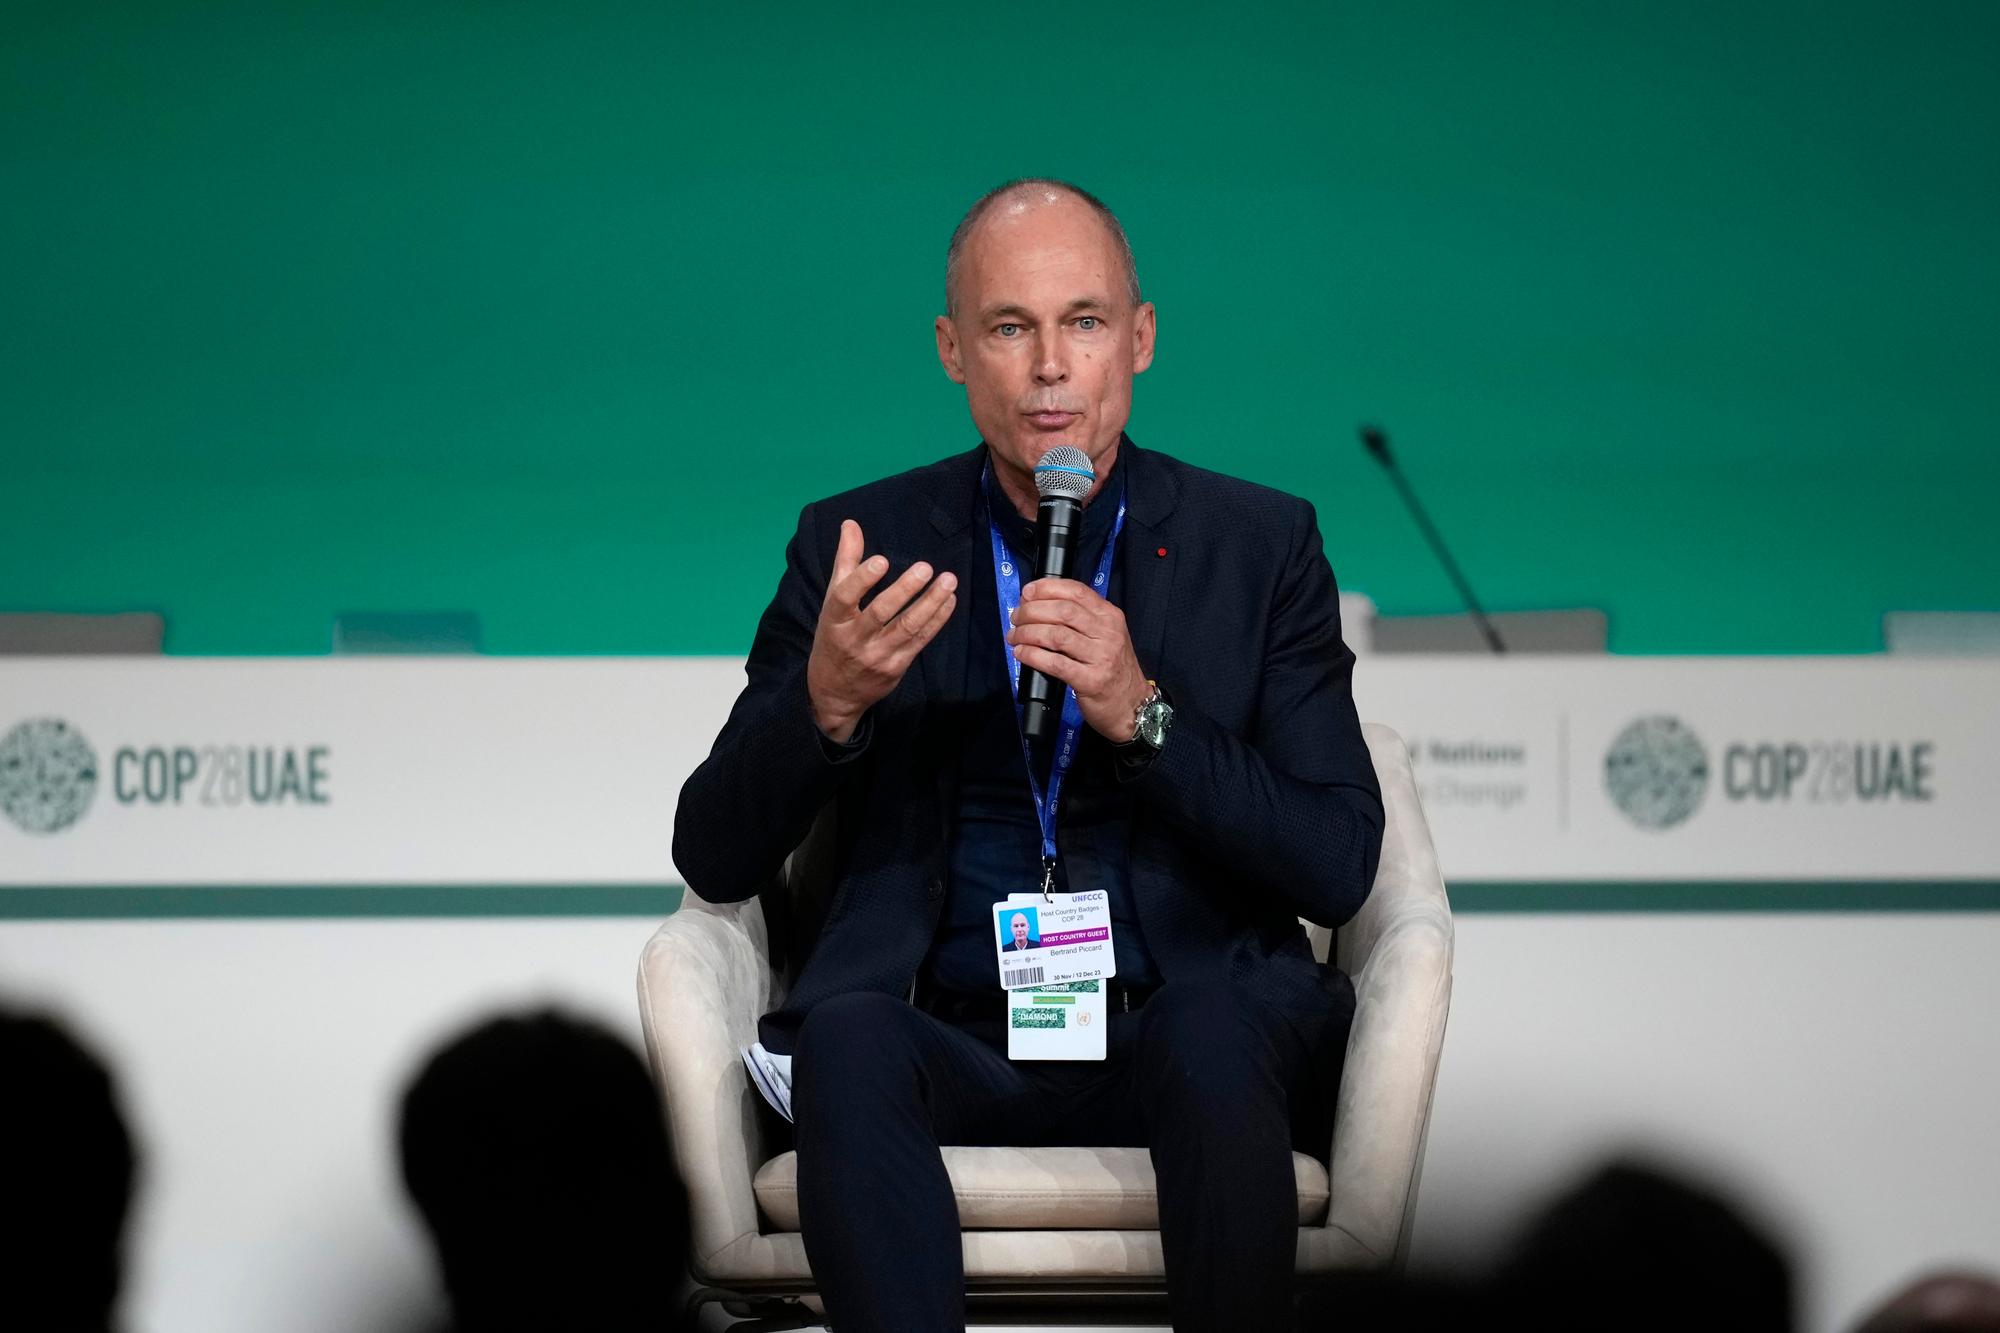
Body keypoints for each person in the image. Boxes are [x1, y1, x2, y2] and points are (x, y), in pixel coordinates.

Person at [674, 178, 1383, 1332]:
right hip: (952, 1032)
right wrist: (824, 705)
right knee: (849, 1038)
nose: (1050, 367)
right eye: (1009, 327)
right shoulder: (860, 545)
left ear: (1138, 338)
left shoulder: (1256, 547)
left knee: (1211, 1027)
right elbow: (712, 850)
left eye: (1082, 322)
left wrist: (1145, 716)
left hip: (1184, 1029)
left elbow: (1337, 861)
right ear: (953, 350)